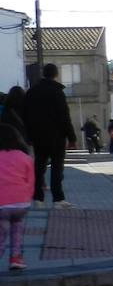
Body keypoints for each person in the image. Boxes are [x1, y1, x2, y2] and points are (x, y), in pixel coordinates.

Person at [21, 63, 77, 208]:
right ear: (55, 74)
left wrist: (29, 136)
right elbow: (64, 116)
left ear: (43, 74)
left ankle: (38, 198)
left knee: (39, 166)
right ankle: (58, 199)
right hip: (56, 136)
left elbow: (26, 115)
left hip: (38, 136)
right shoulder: (58, 92)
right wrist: (71, 138)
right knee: (57, 167)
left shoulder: (32, 92)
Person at [0, 124, 34, 271]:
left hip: (2, 204)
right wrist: (27, 197)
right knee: (17, 229)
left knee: (1, 233)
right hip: (21, 203)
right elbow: (30, 181)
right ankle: (15, 257)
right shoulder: (25, 157)